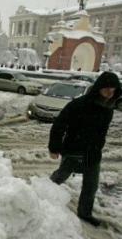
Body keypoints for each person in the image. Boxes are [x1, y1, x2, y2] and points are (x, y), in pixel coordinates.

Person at [48, 71, 122, 227]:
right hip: (74, 150)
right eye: (106, 88)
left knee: (91, 185)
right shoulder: (80, 104)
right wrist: (54, 147)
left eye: (113, 89)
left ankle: (85, 213)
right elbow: (59, 124)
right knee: (60, 176)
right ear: (98, 88)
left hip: (93, 153)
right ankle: (42, 195)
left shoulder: (108, 108)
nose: (110, 92)